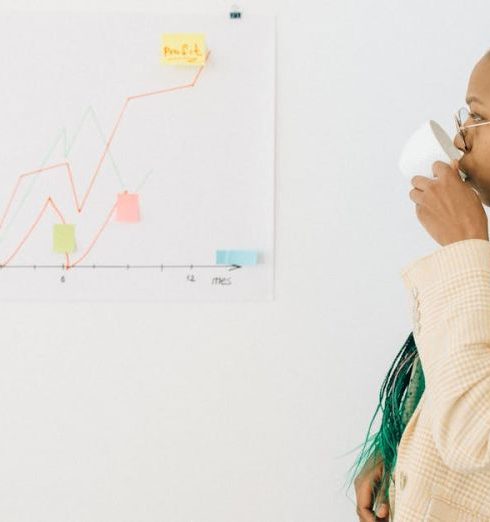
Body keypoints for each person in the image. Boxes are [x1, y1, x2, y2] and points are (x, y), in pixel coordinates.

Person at [347, 47, 490, 521]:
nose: (459, 138)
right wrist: (405, 444)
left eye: (476, 116)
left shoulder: (474, 250)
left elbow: (477, 433)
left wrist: (465, 247)